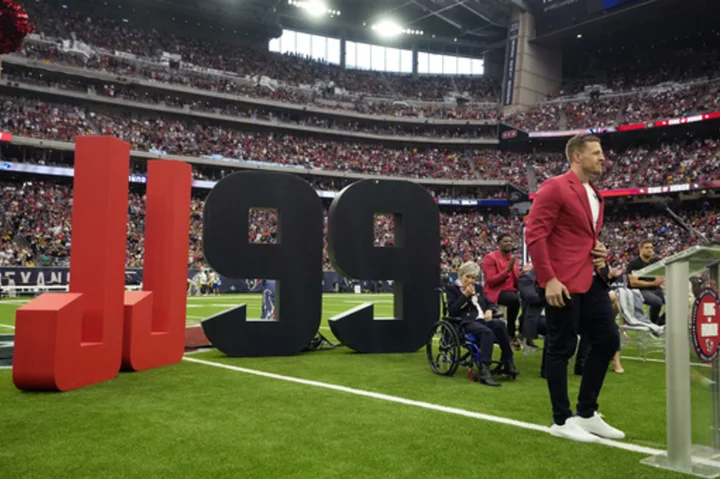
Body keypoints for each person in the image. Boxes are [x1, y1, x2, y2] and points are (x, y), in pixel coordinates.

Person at [526, 134, 624, 443]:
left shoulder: (595, 193)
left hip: (591, 277)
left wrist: (598, 248)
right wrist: (549, 278)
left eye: (602, 152)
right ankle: (561, 419)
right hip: (563, 281)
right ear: (577, 157)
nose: (602, 157)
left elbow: (578, 235)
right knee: (561, 348)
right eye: (596, 153)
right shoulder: (555, 187)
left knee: (607, 341)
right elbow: (535, 234)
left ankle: (586, 413)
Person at [446, 261, 518, 387]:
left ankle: (508, 361)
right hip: (466, 321)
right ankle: (484, 370)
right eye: (467, 277)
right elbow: (452, 311)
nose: (470, 280)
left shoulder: (478, 288)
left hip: (482, 320)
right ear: (461, 275)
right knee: (487, 332)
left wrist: (489, 309)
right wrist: (465, 295)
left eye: (473, 278)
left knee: (500, 325)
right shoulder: (453, 289)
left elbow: (488, 302)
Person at [481, 233, 531, 349]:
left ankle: (525, 332)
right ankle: (510, 333)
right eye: (505, 241)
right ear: (498, 243)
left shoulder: (513, 259)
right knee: (514, 300)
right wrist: (507, 270)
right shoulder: (491, 258)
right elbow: (491, 281)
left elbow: (516, 280)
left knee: (530, 297)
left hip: (511, 291)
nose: (509, 243)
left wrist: (524, 274)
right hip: (495, 292)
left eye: (510, 241)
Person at [627, 240, 665, 325]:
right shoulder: (634, 264)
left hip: (655, 289)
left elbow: (659, 276)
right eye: (647, 248)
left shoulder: (654, 263)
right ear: (640, 249)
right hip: (639, 290)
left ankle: (660, 322)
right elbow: (633, 283)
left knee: (674, 300)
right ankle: (654, 324)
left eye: (651, 248)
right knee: (657, 302)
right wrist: (653, 283)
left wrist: (661, 283)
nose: (650, 250)